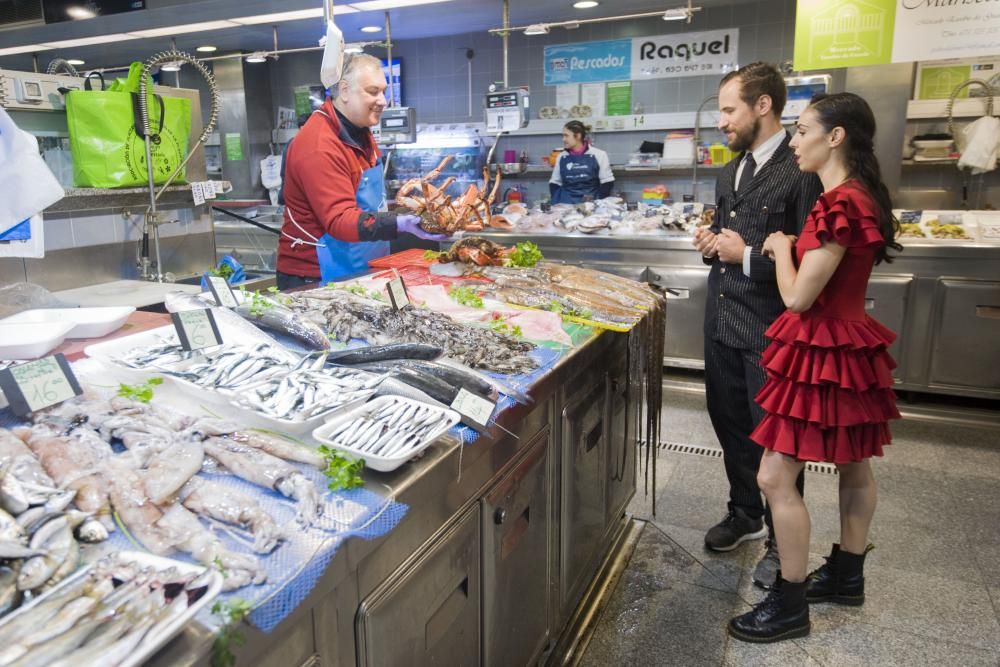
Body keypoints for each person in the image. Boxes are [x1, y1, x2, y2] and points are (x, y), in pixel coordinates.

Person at [727, 92, 902, 643]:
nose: (794, 140)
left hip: (820, 349)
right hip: (853, 348)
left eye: (803, 131)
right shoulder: (864, 195)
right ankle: (848, 575)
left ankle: (790, 602)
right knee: (854, 464)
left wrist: (780, 249)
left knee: (774, 475)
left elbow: (800, 297)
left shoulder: (838, 203)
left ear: (836, 136)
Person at [692, 62, 823, 589]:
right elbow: (724, 236)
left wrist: (744, 255)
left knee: (777, 440)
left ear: (762, 105)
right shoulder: (732, 171)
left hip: (771, 329)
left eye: (729, 109)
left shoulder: (803, 170)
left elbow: (815, 261)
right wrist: (711, 246)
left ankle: (778, 539)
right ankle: (744, 512)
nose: (722, 121)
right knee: (729, 424)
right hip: (721, 321)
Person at [276, 54, 442, 290]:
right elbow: (339, 220)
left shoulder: (361, 132)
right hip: (315, 277)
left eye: (384, 92)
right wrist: (400, 223)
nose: (383, 101)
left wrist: (414, 210)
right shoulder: (319, 145)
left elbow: (368, 204)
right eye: (373, 92)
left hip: (362, 265)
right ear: (344, 91)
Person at [548, 121, 614, 204]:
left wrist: (599, 202)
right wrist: (557, 202)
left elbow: (607, 182)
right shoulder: (561, 156)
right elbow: (555, 182)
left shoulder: (599, 154)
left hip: (591, 203)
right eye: (563, 136)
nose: (563, 139)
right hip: (566, 203)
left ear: (578, 136)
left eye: (566, 136)